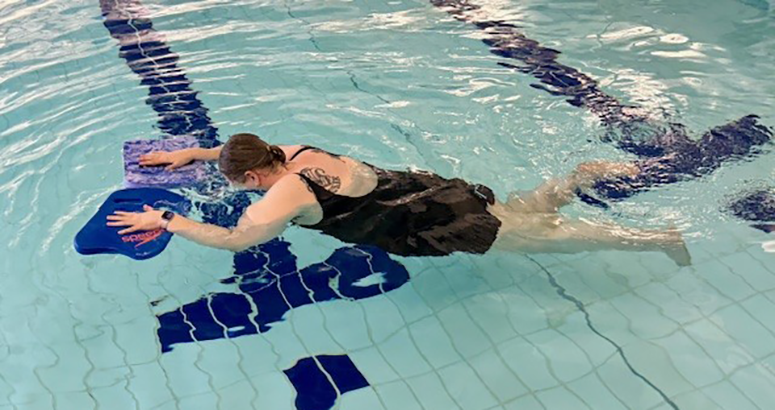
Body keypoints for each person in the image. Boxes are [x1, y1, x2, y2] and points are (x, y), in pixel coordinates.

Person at [107, 133, 691, 266]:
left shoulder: (278, 198)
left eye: (244, 181)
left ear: (258, 175)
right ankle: (573, 181)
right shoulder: (293, 149)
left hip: (422, 219)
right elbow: (239, 146)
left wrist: (166, 218)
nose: (246, 189)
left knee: (537, 238)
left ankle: (659, 239)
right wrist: (192, 156)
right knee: (519, 213)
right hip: (419, 189)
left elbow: (236, 239)